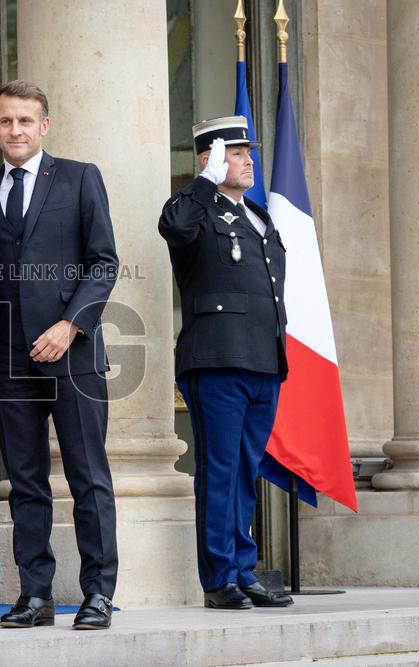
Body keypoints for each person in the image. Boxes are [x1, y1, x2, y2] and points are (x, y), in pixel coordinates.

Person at [0, 80, 119, 630]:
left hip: (72, 358)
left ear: (44, 125)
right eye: (5, 121)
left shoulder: (80, 178)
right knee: (25, 483)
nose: (15, 131)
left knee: (87, 478)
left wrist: (70, 325)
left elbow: (104, 263)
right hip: (6, 360)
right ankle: (36, 595)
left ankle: (98, 594)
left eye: (25, 121)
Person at [158, 115, 293, 610]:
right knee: (219, 470)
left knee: (243, 469)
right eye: (235, 153)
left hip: (261, 359)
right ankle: (219, 578)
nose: (248, 160)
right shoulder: (194, 208)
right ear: (210, 159)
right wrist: (202, 182)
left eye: (247, 152)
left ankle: (242, 566)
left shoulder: (258, 216)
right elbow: (173, 228)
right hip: (216, 359)